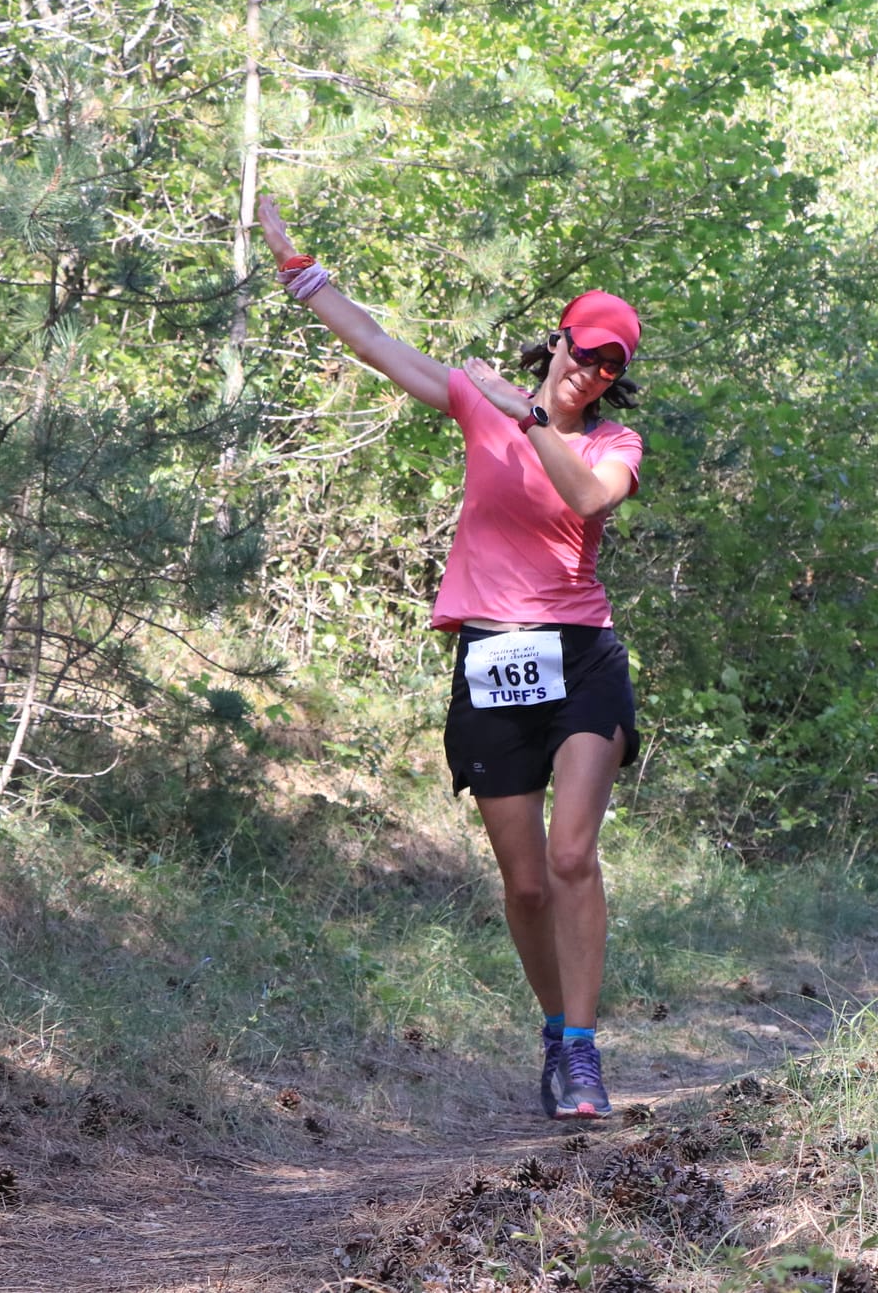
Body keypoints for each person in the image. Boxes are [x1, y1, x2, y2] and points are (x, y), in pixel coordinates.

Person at [256, 195, 644, 1119]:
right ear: (557, 341)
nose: (590, 372)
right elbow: (377, 344)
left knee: (572, 855)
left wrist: (535, 421)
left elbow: (589, 498)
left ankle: (585, 1056)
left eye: (610, 365)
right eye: (582, 351)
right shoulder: (478, 402)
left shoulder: (612, 442)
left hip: (582, 659)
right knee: (522, 882)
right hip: (490, 659)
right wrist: (296, 267)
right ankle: (556, 1029)